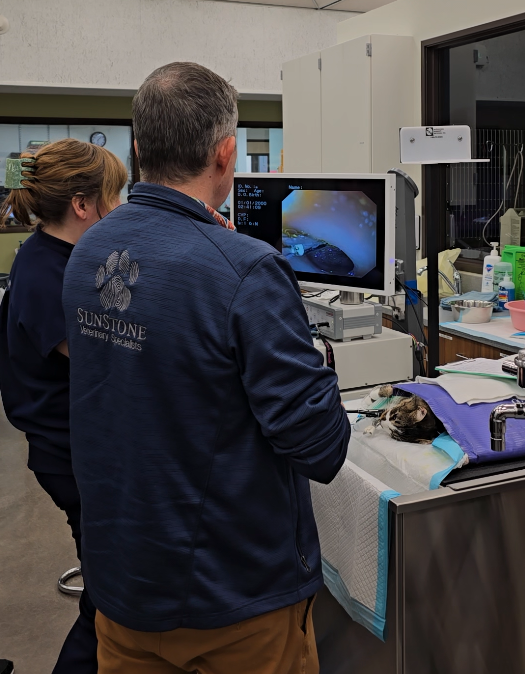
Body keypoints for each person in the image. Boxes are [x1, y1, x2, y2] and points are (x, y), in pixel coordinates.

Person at [62, 62, 351, 674]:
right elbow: (320, 445)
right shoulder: (247, 271)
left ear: (138, 147)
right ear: (226, 153)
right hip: (233, 607)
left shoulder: (88, 249)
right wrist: (311, 344)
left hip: (122, 589)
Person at [0, 139, 127, 674]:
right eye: (113, 197)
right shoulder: (49, 278)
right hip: (70, 456)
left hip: (69, 446)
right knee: (109, 593)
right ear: (82, 204)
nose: (119, 208)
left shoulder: (51, 253)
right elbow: (114, 362)